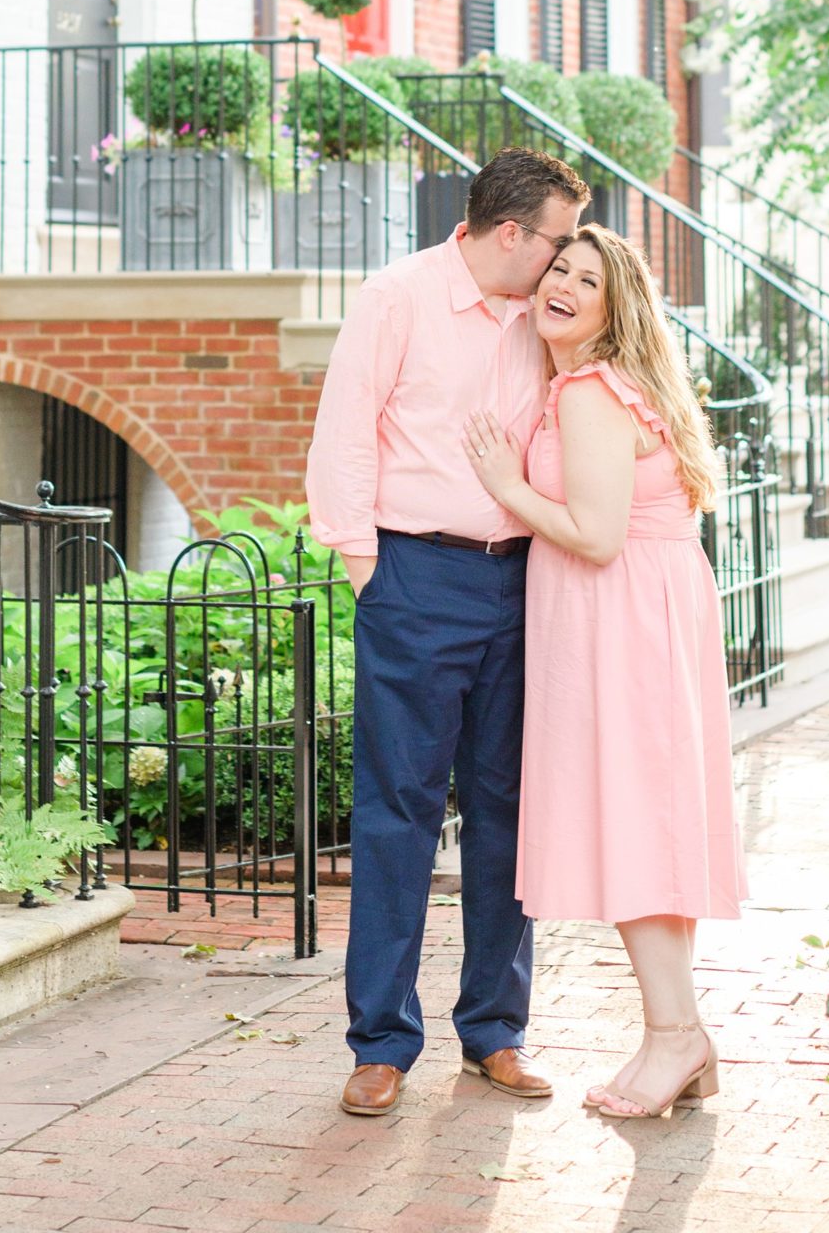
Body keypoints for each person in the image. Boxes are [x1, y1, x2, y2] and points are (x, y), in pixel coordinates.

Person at [306, 147, 591, 1118]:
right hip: (414, 576)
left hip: (521, 580)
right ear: (509, 232)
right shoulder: (396, 298)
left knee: (509, 813)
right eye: (557, 241)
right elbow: (342, 431)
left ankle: (494, 1032)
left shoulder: (544, 317)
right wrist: (364, 568)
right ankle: (380, 1042)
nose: (565, 262)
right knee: (398, 813)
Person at [463, 222, 746, 1120]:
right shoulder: (602, 386)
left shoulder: (587, 392)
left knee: (637, 828)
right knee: (652, 826)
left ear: (613, 311)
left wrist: (504, 483)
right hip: (645, 613)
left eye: (587, 281)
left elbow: (593, 534)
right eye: (558, 270)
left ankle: (674, 1035)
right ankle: (677, 1034)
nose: (564, 287)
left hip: (621, 620)